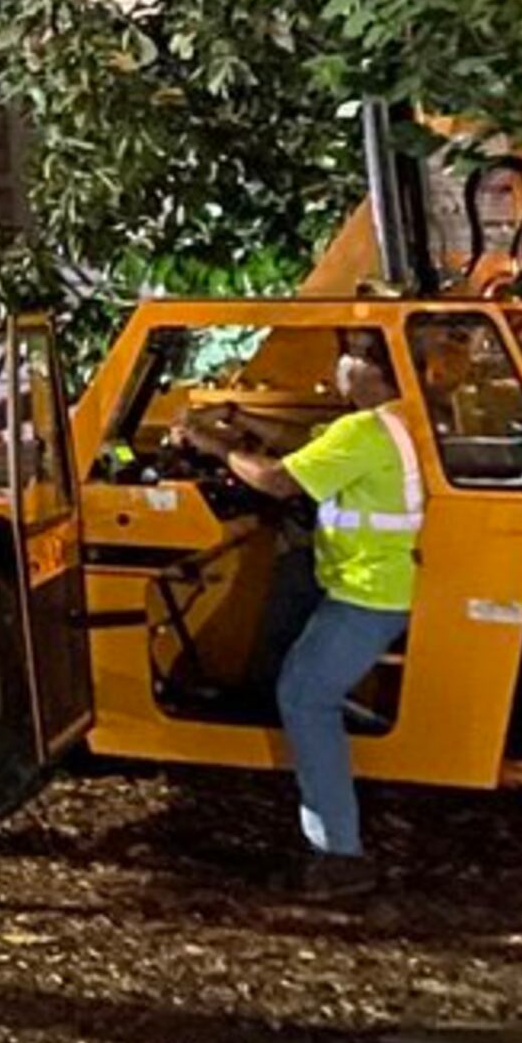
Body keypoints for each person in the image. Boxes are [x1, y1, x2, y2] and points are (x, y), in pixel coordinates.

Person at [185, 329, 421, 901]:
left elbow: (278, 478)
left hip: (366, 591)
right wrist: (242, 419)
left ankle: (340, 856)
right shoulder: (394, 421)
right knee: (307, 677)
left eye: (351, 353)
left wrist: (210, 445)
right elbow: (305, 445)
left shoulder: (361, 431)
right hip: (379, 581)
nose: (340, 364)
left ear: (370, 370)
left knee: (303, 695)